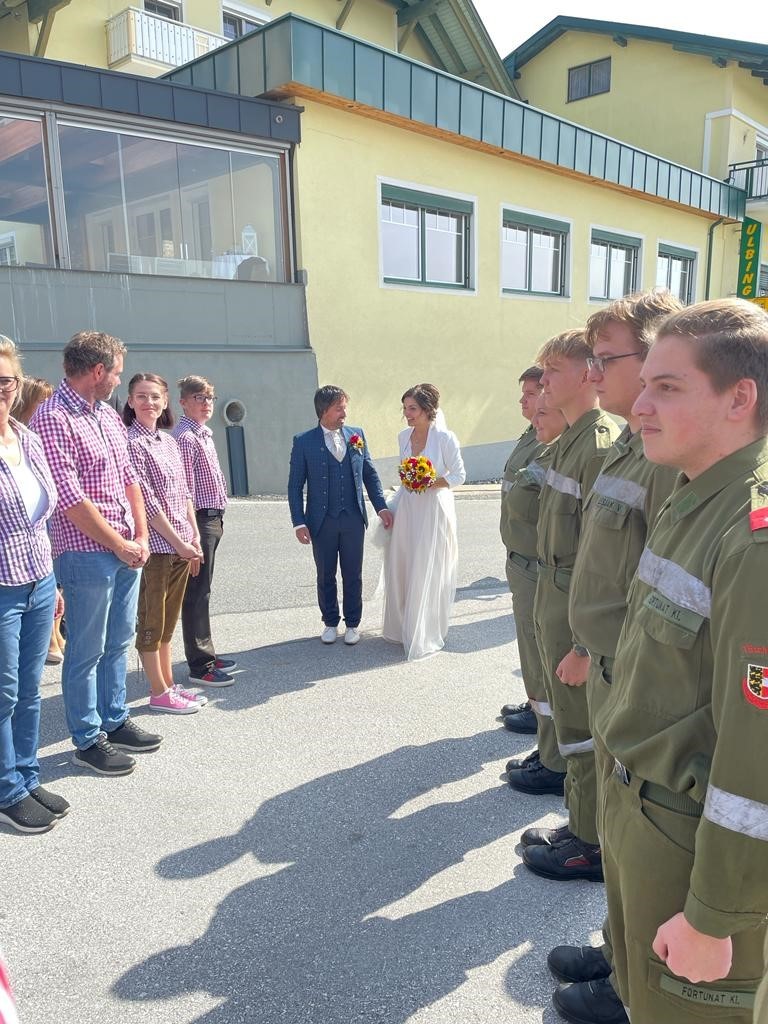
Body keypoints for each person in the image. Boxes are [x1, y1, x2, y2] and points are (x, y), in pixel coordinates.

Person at [594, 299, 768, 1024]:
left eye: (666, 387)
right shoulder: (697, 495)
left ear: (739, 398)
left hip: (691, 844)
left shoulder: (753, 537)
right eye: (645, 386)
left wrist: (714, 914)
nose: (639, 407)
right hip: (640, 811)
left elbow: (758, 759)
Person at [533, 291, 681, 1024]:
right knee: (622, 835)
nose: (593, 374)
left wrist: (597, 652)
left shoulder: (667, 459)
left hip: (634, 672)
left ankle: (635, 982)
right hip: (608, 661)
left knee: (643, 838)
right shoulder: (629, 445)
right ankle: (620, 953)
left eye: (604, 359)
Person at [509, 330, 620, 872]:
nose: (543, 381)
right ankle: (580, 822)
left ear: (584, 374)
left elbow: (601, 555)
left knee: (583, 730)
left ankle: (590, 841)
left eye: (553, 370)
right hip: (552, 590)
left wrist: (582, 643)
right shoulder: (571, 440)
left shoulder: (596, 445)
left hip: (573, 601)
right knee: (569, 723)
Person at [32, 330, 162, 777]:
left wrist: (141, 535)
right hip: (87, 552)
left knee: (119, 639)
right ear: (98, 371)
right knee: (86, 650)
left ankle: (114, 718)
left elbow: (130, 479)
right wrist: (120, 544)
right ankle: (87, 739)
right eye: (117, 373)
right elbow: (69, 499)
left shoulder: (107, 415)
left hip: (126, 548)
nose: (119, 381)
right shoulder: (53, 417)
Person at [0, 338, 68, 833]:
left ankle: (25, 775)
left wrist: (52, 583)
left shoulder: (28, 438)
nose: (0, 390)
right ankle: (6, 789)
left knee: (29, 690)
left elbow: (40, 520)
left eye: (5, 380)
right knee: (3, 694)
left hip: (39, 581)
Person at [124, 374, 205, 714]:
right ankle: (158, 692)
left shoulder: (169, 442)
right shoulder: (131, 443)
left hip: (180, 544)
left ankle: (169, 684)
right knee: (152, 621)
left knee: (169, 621)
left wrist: (193, 534)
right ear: (130, 401)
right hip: (156, 548)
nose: (149, 403)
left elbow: (184, 491)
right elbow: (147, 502)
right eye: (142, 396)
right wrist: (178, 542)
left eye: (155, 396)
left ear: (165, 401)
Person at [288, 385, 392, 645]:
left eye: (345, 407)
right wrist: (299, 522)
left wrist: (381, 507)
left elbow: (370, 474)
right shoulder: (303, 441)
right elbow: (294, 485)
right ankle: (330, 622)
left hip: (353, 517)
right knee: (325, 574)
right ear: (324, 410)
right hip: (321, 520)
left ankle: (353, 623)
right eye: (339, 408)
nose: (344, 413)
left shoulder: (357, 435)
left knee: (353, 573)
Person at [503, 391, 568, 780]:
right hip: (525, 561)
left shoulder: (575, 449)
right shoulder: (537, 439)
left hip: (545, 570)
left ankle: (555, 761)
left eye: (542, 405)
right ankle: (548, 749)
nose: (531, 411)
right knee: (535, 659)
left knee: (548, 665)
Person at [381, 383, 466, 660]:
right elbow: (404, 471)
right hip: (408, 507)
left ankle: (424, 630)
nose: (407, 414)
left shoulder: (445, 438)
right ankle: (401, 627)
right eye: (405, 408)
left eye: (413, 408)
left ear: (428, 409)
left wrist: (429, 482)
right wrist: (410, 480)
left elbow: (459, 475)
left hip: (433, 509)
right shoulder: (403, 436)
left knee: (427, 566)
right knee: (403, 564)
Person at [173, 375, 237, 686]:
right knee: (196, 592)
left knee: (203, 590)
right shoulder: (186, 438)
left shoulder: (203, 434)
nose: (206, 403)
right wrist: (191, 532)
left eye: (209, 398)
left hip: (212, 518)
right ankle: (200, 664)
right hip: (199, 520)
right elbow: (184, 488)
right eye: (199, 398)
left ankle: (206, 650)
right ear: (183, 402)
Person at [498, 366, 547, 734]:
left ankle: (542, 712)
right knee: (528, 641)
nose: (522, 400)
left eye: (531, 393)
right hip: (519, 555)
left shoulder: (549, 439)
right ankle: (535, 701)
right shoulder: (532, 433)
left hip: (535, 558)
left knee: (538, 640)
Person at [11, 377, 65, 667]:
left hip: (45, 534)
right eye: (41, 401)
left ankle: (54, 634)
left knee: (52, 587)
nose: (47, 406)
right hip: (10, 571)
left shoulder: (33, 440)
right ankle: (51, 639)